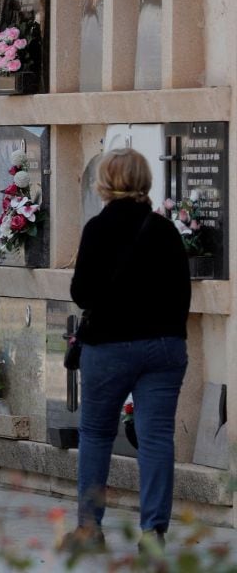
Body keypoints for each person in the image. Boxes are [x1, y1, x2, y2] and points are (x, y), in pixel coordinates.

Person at [62, 148, 189, 554]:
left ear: (105, 182)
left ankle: (89, 530)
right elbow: (181, 294)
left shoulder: (98, 229)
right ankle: (153, 533)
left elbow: (81, 294)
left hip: (109, 347)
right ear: (145, 181)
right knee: (156, 439)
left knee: (97, 434)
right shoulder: (165, 230)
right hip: (164, 348)